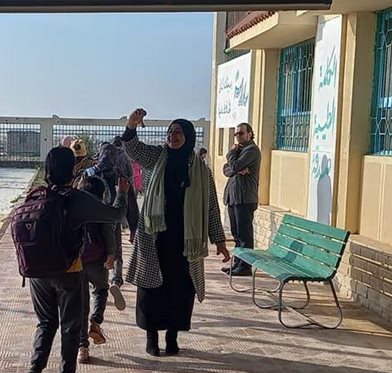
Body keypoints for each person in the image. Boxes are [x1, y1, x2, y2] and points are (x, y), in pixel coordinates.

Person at [120, 109, 229, 357]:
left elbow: (211, 207)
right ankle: (151, 337)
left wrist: (219, 240)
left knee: (180, 290)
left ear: (188, 136)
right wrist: (131, 125)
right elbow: (132, 149)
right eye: (170, 132)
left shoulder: (201, 171)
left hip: (185, 240)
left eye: (178, 132)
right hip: (154, 237)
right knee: (151, 289)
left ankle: (172, 337)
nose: (173, 135)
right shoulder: (156, 157)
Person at [23, 147, 128, 373]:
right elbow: (116, 216)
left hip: (36, 272)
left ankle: (35, 368)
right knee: (71, 326)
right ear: (73, 169)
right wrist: (122, 193)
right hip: (68, 272)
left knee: (46, 322)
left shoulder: (34, 196)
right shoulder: (77, 198)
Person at [86, 137, 139, 301]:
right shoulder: (121, 176)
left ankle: (96, 283)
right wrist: (133, 228)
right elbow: (131, 203)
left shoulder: (90, 173)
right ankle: (116, 280)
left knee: (93, 249)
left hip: (92, 220)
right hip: (113, 218)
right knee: (116, 250)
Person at [76, 176, 119, 364]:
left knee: (80, 304)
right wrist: (111, 254)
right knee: (101, 290)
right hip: (97, 260)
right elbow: (108, 231)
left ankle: (82, 348)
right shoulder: (100, 208)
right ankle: (95, 322)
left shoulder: (74, 207)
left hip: (76, 262)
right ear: (101, 193)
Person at [222, 123, 261, 276]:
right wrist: (235, 169)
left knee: (245, 235)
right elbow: (226, 169)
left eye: (241, 133)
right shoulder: (239, 151)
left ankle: (245, 266)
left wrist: (232, 155)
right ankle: (238, 263)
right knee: (236, 234)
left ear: (249, 134)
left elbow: (234, 165)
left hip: (245, 198)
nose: (238, 136)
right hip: (233, 197)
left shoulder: (251, 150)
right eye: (236, 134)